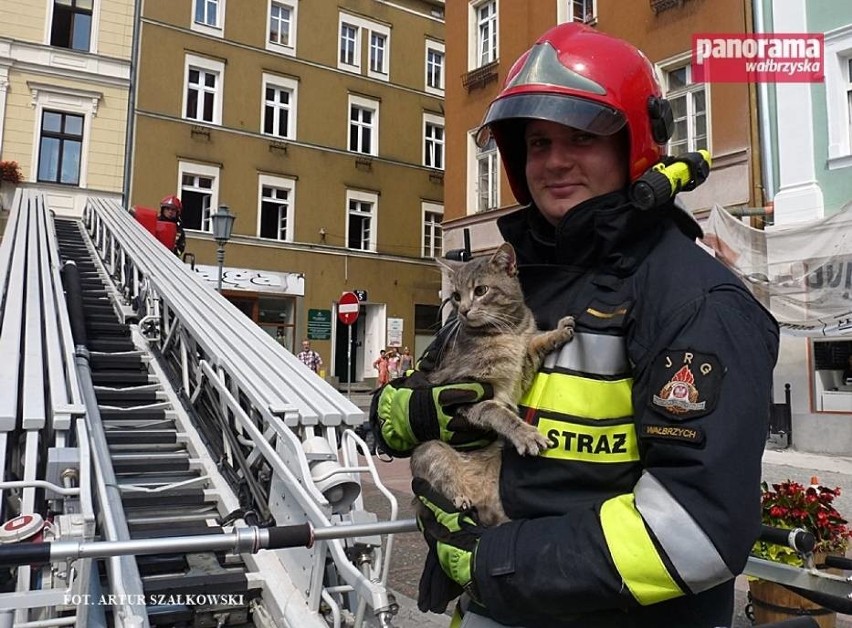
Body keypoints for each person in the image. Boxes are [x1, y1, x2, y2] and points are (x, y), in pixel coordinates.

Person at [371, 23, 779, 628]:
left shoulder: (693, 299)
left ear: (632, 145)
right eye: (537, 143)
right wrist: (398, 414)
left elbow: (697, 529)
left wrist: (495, 561)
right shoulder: (520, 280)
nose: (554, 162)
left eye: (582, 137)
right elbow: (424, 398)